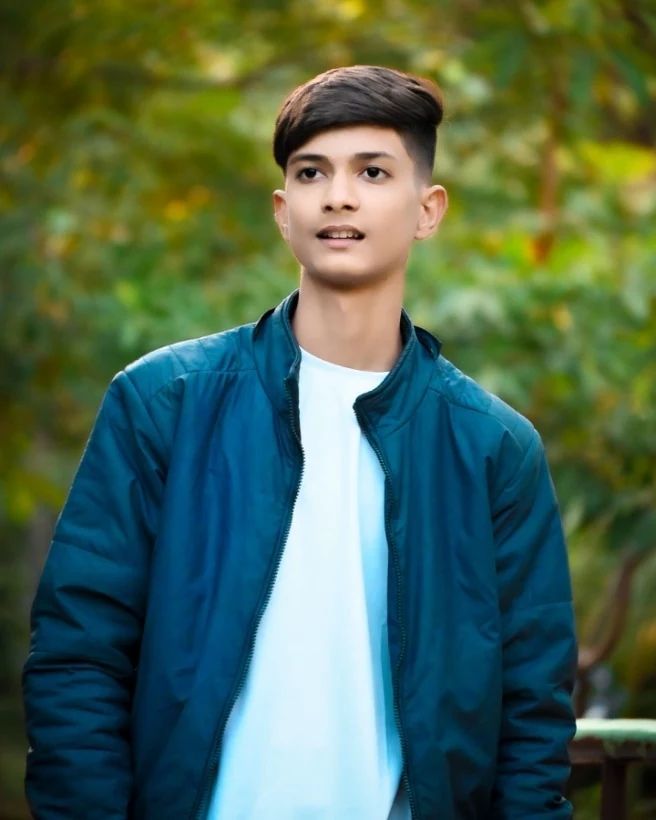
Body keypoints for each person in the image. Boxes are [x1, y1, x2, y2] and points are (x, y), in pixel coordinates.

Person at [23, 65, 577, 819]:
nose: (337, 196)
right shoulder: (163, 403)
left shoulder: (493, 448)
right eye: (312, 172)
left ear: (428, 210)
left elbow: (533, 707)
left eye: (372, 172)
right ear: (284, 212)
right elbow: (79, 653)